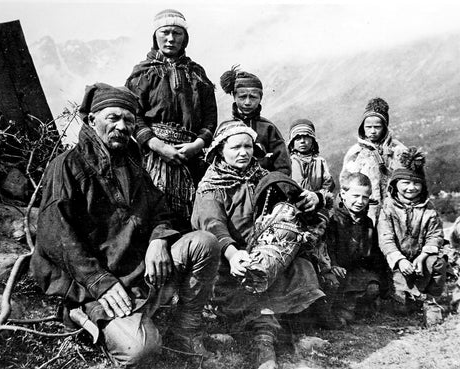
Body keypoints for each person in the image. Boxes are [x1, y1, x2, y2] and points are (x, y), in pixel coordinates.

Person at [30, 83, 220, 367]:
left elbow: (160, 209)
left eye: (129, 120)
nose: (122, 126)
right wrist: (100, 283)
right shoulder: (67, 166)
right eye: (113, 118)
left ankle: (185, 330)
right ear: (92, 120)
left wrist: (159, 240)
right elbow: (57, 235)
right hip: (96, 280)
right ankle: (82, 313)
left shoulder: (131, 164)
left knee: (204, 243)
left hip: (137, 267)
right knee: (138, 349)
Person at [191, 120, 324, 369]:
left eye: (248, 146)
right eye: (236, 147)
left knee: (300, 268)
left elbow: (291, 201)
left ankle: (287, 333)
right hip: (229, 261)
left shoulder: (264, 178)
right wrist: (232, 254)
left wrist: (313, 199)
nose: (244, 152)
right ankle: (263, 345)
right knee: (250, 290)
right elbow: (211, 224)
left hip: (266, 253)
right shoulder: (210, 187)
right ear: (220, 150)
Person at [125, 9, 217, 232]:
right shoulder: (143, 74)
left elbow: (210, 118)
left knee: (195, 215)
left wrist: (197, 145)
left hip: (191, 155)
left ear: (185, 38)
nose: (171, 38)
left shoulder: (197, 74)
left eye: (177, 33)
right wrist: (159, 146)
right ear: (155, 35)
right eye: (165, 32)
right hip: (153, 155)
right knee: (155, 212)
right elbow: (132, 116)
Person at [377, 147, 446, 317]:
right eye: (405, 183)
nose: (411, 188)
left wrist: (423, 256)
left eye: (416, 183)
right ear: (395, 184)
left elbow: (435, 235)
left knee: (438, 263)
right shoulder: (387, 208)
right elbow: (386, 239)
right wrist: (400, 260)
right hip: (397, 263)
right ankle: (402, 296)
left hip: (421, 259)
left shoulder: (429, 208)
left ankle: (431, 301)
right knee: (401, 309)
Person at [324, 172, 387, 324]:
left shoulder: (367, 222)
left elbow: (370, 253)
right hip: (337, 269)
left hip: (355, 271)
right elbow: (328, 247)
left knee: (373, 287)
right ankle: (341, 310)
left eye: (365, 197)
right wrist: (333, 264)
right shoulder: (332, 219)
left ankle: (355, 308)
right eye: (355, 196)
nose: (360, 201)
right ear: (343, 194)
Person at [341, 97, 406, 225]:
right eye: (368, 126)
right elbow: (346, 182)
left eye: (377, 127)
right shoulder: (355, 153)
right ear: (362, 127)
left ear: (385, 127)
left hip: (394, 210)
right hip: (365, 210)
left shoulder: (399, 150)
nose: (372, 131)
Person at [219, 66, 291, 175]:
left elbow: (283, 167)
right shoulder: (225, 128)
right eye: (242, 97)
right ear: (234, 96)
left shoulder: (268, 128)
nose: (247, 102)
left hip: (264, 186)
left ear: (260, 98)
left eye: (253, 97)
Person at [288, 118, 335, 197]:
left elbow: (328, 183)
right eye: (298, 138)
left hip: (316, 201)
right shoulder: (289, 162)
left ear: (313, 141)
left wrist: (318, 196)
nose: (302, 141)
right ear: (292, 143)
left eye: (306, 137)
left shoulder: (320, 162)